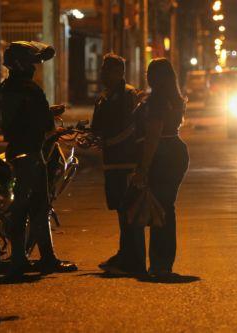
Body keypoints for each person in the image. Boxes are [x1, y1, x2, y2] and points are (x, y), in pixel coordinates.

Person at [0, 41, 77, 275]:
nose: (34, 68)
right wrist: (50, 118)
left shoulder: (7, 88)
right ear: (21, 64)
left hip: (15, 150)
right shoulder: (31, 90)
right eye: (31, 63)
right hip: (32, 154)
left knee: (29, 205)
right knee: (35, 206)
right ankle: (27, 259)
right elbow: (46, 124)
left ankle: (37, 257)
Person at [131, 58, 189, 277]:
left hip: (163, 155)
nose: (147, 76)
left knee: (161, 209)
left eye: (150, 73)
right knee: (165, 207)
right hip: (176, 152)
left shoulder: (157, 101)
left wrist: (144, 167)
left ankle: (160, 264)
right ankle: (161, 263)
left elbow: (153, 135)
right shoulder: (172, 98)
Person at [91, 54, 145, 275]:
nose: (103, 73)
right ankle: (125, 254)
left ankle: (133, 259)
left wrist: (109, 141)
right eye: (103, 69)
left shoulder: (129, 95)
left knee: (129, 212)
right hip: (112, 163)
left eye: (108, 69)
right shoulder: (105, 97)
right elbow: (98, 127)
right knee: (120, 211)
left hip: (126, 162)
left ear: (120, 72)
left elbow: (133, 128)